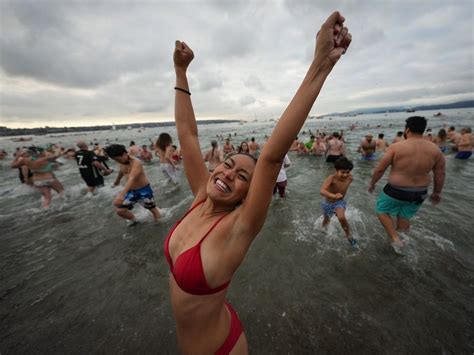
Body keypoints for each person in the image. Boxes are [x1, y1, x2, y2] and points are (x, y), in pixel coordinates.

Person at [166, 11, 351, 354]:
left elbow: (270, 157)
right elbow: (188, 136)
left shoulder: (239, 226)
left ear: (247, 196)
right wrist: (181, 72)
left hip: (220, 347)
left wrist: (321, 64)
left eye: (241, 178)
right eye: (226, 166)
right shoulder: (198, 198)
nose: (225, 175)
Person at [368, 116, 446, 249]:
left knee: (381, 210)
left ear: (407, 129)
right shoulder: (435, 149)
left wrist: (372, 183)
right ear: (423, 129)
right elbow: (440, 173)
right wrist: (437, 192)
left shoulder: (396, 147)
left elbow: (380, 169)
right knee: (404, 215)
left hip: (396, 190)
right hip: (420, 192)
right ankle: (403, 240)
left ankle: (395, 238)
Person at [105, 144, 160, 225]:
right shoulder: (121, 161)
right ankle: (135, 221)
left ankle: (159, 225)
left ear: (124, 154)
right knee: (120, 211)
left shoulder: (136, 162)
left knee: (153, 210)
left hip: (143, 190)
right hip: (131, 191)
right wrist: (117, 181)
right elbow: (122, 171)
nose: (117, 161)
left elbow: (132, 178)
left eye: (117, 159)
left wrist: (121, 195)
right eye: (114, 160)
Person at [320, 157, 356, 246]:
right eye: (342, 172)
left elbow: (344, 187)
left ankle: (348, 235)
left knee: (341, 218)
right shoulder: (331, 178)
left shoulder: (350, 178)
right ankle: (322, 234)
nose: (345, 175)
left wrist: (338, 197)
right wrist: (333, 195)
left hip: (339, 202)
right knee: (326, 221)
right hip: (327, 203)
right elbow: (322, 191)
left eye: (347, 172)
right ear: (336, 170)